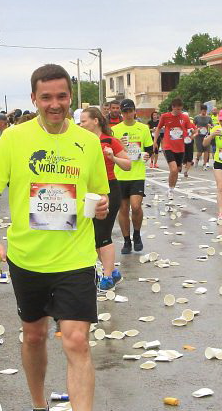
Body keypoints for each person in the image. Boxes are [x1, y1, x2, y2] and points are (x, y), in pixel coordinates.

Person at [0, 64, 110, 411]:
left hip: (73, 257)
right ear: (34, 99)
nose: (55, 104)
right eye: (46, 97)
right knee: (34, 334)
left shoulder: (87, 143)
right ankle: (39, 407)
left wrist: (101, 205)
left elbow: (99, 196)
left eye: (62, 96)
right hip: (26, 259)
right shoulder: (14, 140)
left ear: (71, 97)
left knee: (76, 341)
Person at [80, 106, 132, 290]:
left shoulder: (110, 140)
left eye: (84, 120)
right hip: (88, 191)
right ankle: (113, 271)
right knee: (93, 235)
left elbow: (128, 165)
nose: (81, 124)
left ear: (96, 121)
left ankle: (108, 276)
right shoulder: (81, 142)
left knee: (103, 234)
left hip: (109, 189)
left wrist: (112, 157)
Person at [113, 99, 153, 254]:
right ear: (121, 113)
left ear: (134, 111)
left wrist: (147, 155)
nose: (128, 114)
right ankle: (126, 240)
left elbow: (149, 149)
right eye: (125, 112)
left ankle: (137, 234)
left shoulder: (143, 128)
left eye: (130, 111)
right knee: (123, 209)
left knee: (136, 206)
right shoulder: (115, 130)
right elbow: (112, 151)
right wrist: (121, 146)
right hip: (120, 174)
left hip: (137, 173)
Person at [155, 99, 195, 199]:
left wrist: (191, 135)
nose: (179, 111)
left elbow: (191, 130)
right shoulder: (165, 116)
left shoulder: (185, 117)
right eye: (177, 109)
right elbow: (158, 128)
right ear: (173, 107)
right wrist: (155, 141)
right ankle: (170, 189)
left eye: (180, 109)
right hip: (168, 146)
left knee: (177, 170)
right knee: (173, 169)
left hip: (180, 148)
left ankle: (171, 189)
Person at [194, 104, 213, 170]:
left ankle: (204, 164)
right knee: (199, 151)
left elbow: (212, 126)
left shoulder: (209, 118)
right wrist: (197, 129)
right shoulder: (196, 117)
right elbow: (193, 126)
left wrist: (210, 126)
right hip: (199, 136)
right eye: (203, 111)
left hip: (206, 136)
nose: (204, 112)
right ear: (201, 110)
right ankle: (197, 159)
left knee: (206, 151)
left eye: (205, 111)